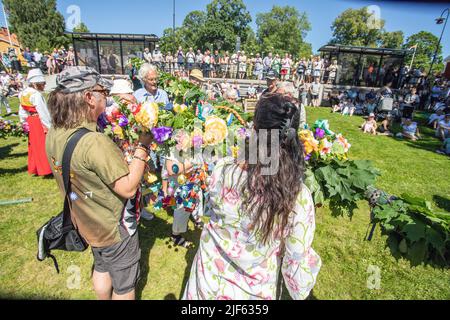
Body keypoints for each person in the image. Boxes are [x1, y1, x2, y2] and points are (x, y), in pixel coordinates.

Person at [183, 94, 321, 300]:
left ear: (254, 131)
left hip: (206, 285)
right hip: (252, 292)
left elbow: (212, 210)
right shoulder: (297, 196)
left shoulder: (223, 169)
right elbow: (297, 263)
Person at [46, 66, 152, 300]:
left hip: (85, 221)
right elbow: (128, 186)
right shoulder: (93, 142)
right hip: (113, 228)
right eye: (103, 91)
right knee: (124, 286)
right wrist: (143, 146)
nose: (106, 97)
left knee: (102, 266)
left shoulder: (54, 132)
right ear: (87, 97)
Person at [18, 69, 52, 177]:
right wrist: (49, 126)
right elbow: (43, 112)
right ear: (35, 83)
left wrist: (24, 122)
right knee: (43, 145)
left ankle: (37, 168)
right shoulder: (36, 94)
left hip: (30, 121)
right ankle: (46, 168)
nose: (44, 85)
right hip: (38, 122)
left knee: (34, 145)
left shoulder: (23, 93)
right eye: (42, 83)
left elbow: (22, 110)